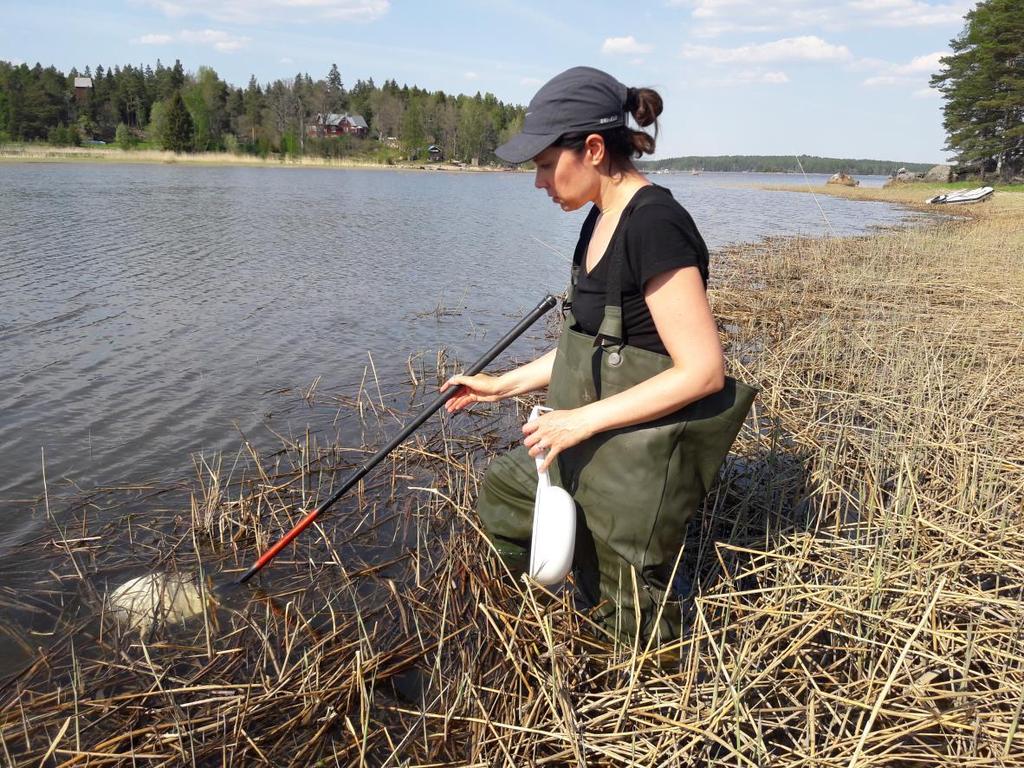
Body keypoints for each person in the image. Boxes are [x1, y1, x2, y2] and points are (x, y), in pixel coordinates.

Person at [442, 66, 754, 643]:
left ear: (591, 148)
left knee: (632, 620)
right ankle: (518, 631)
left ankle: (648, 700)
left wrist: (576, 421)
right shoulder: (597, 218)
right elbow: (591, 347)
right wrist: (500, 383)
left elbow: (704, 371)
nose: (538, 182)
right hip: (589, 435)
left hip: (637, 454)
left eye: (543, 164)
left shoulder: (656, 224)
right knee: (505, 493)